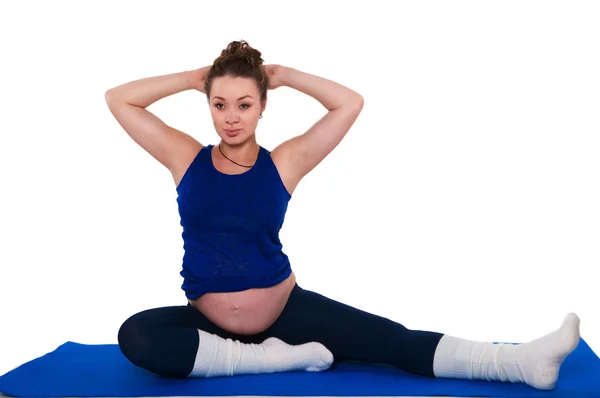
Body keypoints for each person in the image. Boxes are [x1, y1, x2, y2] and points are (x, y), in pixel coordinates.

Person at [105, 40, 580, 391]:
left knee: (394, 342)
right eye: (220, 104)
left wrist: (286, 73)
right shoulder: (184, 156)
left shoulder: (285, 162)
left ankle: (517, 362)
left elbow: (349, 103)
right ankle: (269, 361)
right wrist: (193, 76)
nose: (232, 116)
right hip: (207, 325)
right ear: (207, 103)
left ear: (263, 106)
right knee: (138, 335)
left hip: (286, 311)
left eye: (244, 104)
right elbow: (118, 98)